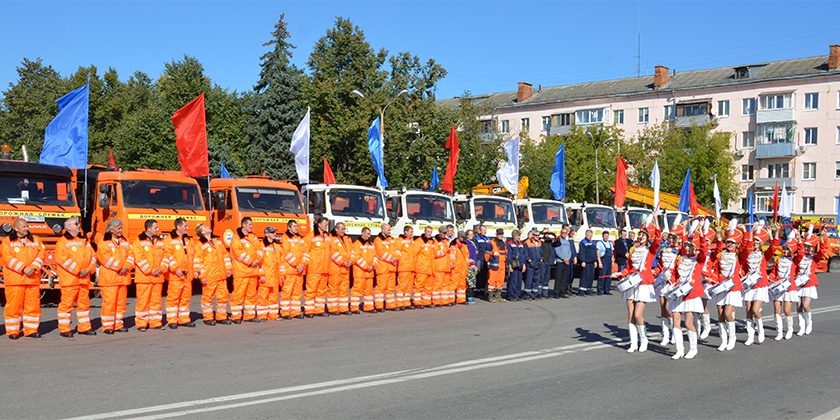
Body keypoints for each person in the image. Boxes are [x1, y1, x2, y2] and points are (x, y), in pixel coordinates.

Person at [611, 216, 660, 353]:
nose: (641, 236)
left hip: (643, 284)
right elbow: (628, 267)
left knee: (638, 315)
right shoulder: (633, 249)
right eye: (640, 234)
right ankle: (633, 343)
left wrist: (656, 220)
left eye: (644, 235)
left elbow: (658, 239)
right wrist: (619, 274)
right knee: (630, 315)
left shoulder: (651, 250)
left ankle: (644, 339)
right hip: (631, 283)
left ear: (648, 237)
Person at [665, 225, 707, 360]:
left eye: (690, 246)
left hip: (691, 294)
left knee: (688, 323)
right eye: (686, 245)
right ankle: (679, 349)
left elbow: (704, 251)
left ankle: (693, 348)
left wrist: (701, 234)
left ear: (694, 247)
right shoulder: (680, 258)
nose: (687, 248)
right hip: (678, 293)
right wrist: (669, 276)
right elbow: (675, 274)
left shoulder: (699, 260)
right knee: (675, 321)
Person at [55, 217, 96, 338]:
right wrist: (78, 271)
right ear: (68, 227)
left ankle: (84, 327)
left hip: (83, 279)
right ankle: (64, 329)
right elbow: (63, 260)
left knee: (84, 305)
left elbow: (93, 256)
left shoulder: (84, 241)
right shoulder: (62, 243)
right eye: (76, 224)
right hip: (70, 280)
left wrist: (90, 269)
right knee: (66, 305)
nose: (79, 225)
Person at [739, 223, 776, 345]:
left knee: (755, 310)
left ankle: (761, 331)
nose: (755, 242)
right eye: (754, 240)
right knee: (748, 310)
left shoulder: (764, 255)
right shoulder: (749, 254)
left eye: (758, 241)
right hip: (749, 285)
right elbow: (744, 266)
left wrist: (771, 234)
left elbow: (773, 248)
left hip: (760, 285)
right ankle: (750, 336)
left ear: (762, 243)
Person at [96, 218, 134, 334]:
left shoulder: (125, 241)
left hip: (122, 278)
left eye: (121, 228)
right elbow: (105, 259)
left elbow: (132, 256)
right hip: (110, 279)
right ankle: (107, 326)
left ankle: (118, 324)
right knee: (109, 303)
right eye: (119, 228)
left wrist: (126, 267)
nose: (121, 230)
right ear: (111, 230)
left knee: (121, 303)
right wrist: (120, 267)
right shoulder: (103, 242)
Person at [713, 223, 746, 351]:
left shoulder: (739, 255)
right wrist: (714, 279)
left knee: (727, 313)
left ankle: (732, 337)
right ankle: (723, 340)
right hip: (721, 286)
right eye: (728, 242)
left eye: (733, 243)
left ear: (737, 244)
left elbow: (747, 247)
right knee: (720, 315)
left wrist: (745, 231)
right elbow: (716, 270)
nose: (730, 244)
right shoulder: (722, 254)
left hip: (733, 288)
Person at [132, 219, 167, 331]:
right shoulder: (138, 241)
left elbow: (166, 256)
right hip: (144, 278)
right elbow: (139, 259)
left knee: (156, 301)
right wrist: (150, 270)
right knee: (143, 301)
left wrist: (161, 269)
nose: (158, 229)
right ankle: (141, 323)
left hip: (157, 277)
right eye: (155, 227)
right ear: (148, 229)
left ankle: (155, 322)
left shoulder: (161, 241)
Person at [194, 223, 232, 325]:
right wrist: (202, 276)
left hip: (221, 275)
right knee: (208, 298)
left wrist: (228, 268)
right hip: (209, 276)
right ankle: (208, 318)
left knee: (223, 296)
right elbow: (198, 262)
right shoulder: (200, 245)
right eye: (205, 227)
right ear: (203, 232)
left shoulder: (218, 241)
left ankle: (221, 317)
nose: (208, 227)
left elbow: (225, 255)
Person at [164, 217, 198, 328]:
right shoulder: (169, 240)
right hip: (175, 275)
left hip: (187, 275)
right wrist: (175, 268)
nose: (187, 228)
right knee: (173, 298)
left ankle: (184, 319)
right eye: (185, 226)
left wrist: (196, 270)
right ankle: (172, 320)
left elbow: (194, 257)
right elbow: (167, 255)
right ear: (178, 227)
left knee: (185, 299)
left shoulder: (189, 240)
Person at [230, 217, 264, 323]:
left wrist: (257, 259)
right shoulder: (236, 238)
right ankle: (236, 316)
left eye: (251, 224)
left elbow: (260, 249)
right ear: (243, 225)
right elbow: (238, 253)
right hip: (242, 271)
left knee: (251, 295)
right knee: (238, 295)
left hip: (253, 271)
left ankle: (249, 315)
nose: (251, 226)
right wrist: (250, 261)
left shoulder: (253, 237)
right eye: (249, 224)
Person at [794, 226, 826, 336]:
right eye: (805, 247)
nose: (806, 249)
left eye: (808, 247)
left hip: (809, 284)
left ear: (812, 248)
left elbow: (822, 251)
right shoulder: (800, 257)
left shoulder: (814, 259)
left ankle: (809, 323)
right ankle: (801, 327)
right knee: (798, 306)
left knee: (805, 305)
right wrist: (799, 239)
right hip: (799, 284)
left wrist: (821, 238)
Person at [769, 227, 800, 341]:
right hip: (778, 286)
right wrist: (769, 278)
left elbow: (801, 252)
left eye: (788, 250)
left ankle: (790, 329)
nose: (785, 251)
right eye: (784, 249)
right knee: (777, 309)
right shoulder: (778, 260)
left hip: (789, 287)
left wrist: (799, 239)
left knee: (787, 310)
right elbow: (773, 272)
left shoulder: (794, 260)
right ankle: (779, 332)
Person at [655, 224, 682, 346]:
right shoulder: (663, 250)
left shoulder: (681, 251)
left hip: (672, 282)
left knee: (669, 308)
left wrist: (672, 277)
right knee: (663, 309)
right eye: (670, 238)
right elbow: (659, 265)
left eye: (674, 238)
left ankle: (674, 333)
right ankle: (665, 335)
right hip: (662, 281)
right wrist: (654, 272)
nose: (671, 240)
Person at [303, 217, 331, 317]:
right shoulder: (310, 236)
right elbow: (305, 252)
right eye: (325, 225)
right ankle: (309, 311)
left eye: (327, 225)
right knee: (311, 291)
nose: (327, 226)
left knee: (321, 291)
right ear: (319, 225)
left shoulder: (328, 237)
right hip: (314, 269)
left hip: (325, 269)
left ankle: (319, 310)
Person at [280, 220, 306, 319]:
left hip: (299, 271)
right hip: (290, 270)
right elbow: (286, 254)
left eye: (297, 226)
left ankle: (295, 311)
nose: (296, 228)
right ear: (289, 227)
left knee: (297, 293)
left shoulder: (300, 238)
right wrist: (297, 264)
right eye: (294, 226)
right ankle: (285, 312)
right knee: (287, 292)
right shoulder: (284, 238)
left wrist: (303, 264)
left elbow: (306, 252)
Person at [258, 226, 284, 321]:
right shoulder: (261, 245)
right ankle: (262, 316)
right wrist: (261, 275)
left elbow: (281, 262)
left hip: (275, 277)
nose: (274, 234)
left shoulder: (277, 246)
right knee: (263, 297)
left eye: (274, 232)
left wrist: (282, 275)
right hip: (266, 276)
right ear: (267, 234)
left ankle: (273, 316)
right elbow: (260, 263)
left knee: (274, 297)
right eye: (272, 232)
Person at [328, 222, 354, 315]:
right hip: (335, 269)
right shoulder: (331, 238)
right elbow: (333, 253)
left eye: (344, 229)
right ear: (336, 229)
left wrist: (351, 261)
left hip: (346, 269)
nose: (344, 231)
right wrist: (343, 262)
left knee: (344, 289)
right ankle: (332, 308)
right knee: (333, 290)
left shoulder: (347, 239)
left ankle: (343, 308)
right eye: (342, 229)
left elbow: (352, 251)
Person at [374, 223, 399, 311]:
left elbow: (397, 250)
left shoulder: (391, 239)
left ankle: (390, 305)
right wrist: (392, 259)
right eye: (388, 229)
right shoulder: (378, 240)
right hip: (383, 268)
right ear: (382, 230)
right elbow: (381, 253)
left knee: (390, 288)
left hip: (392, 268)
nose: (389, 231)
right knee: (380, 288)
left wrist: (396, 258)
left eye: (390, 229)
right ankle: (379, 306)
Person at [351, 227, 376, 313]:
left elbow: (375, 257)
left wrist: (373, 265)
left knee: (369, 291)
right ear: (363, 233)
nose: (369, 236)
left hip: (369, 272)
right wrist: (366, 267)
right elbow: (357, 258)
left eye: (370, 234)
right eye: (368, 234)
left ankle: (369, 307)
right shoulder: (356, 244)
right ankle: (354, 308)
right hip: (360, 272)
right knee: (357, 290)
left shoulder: (371, 245)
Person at [395, 226, 417, 309]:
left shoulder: (412, 241)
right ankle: (399, 303)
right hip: (404, 267)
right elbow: (397, 252)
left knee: (409, 287)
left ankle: (406, 303)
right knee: (402, 286)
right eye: (411, 231)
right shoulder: (400, 241)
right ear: (406, 232)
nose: (412, 233)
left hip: (411, 267)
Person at [414, 226, 435, 307]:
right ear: (424, 231)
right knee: (418, 286)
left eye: (430, 232)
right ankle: (417, 302)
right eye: (428, 231)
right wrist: (416, 267)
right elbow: (415, 255)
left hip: (429, 268)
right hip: (421, 268)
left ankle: (426, 302)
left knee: (429, 287)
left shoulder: (431, 242)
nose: (429, 233)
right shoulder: (419, 241)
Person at [432, 226, 453, 306]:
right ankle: (436, 301)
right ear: (439, 232)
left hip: (447, 267)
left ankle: (444, 301)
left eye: (445, 233)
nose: (445, 234)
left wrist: (451, 262)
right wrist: (445, 250)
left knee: (446, 285)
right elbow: (435, 254)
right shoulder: (435, 241)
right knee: (438, 285)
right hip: (439, 267)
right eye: (443, 233)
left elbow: (450, 254)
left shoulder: (447, 241)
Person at [551, 224, 573, 298]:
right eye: (562, 233)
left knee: (564, 278)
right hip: (560, 261)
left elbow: (570, 251)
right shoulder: (558, 240)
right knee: (558, 278)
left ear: (567, 233)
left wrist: (568, 258)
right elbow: (557, 251)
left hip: (566, 262)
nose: (564, 234)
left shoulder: (567, 242)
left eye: (565, 233)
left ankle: (562, 292)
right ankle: (556, 292)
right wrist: (564, 259)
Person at [487, 228, 508, 302]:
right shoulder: (491, 243)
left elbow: (506, 254)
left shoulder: (504, 243)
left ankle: (498, 296)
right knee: (492, 281)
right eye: (499, 234)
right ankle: (490, 296)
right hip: (494, 265)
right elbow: (487, 255)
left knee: (501, 281)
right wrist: (489, 263)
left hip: (502, 264)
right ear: (496, 234)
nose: (501, 235)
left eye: (502, 234)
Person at [506, 230, 525, 301]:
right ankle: (511, 295)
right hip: (513, 265)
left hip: (520, 264)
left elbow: (523, 255)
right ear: (513, 236)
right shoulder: (509, 244)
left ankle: (517, 295)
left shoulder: (521, 244)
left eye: (519, 235)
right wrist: (509, 266)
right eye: (517, 236)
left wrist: (524, 265)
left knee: (519, 281)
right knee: (512, 281)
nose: (519, 237)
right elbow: (509, 255)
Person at [452, 231, 470, 304]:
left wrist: (466, 264)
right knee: (453, 285)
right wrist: (453, 265)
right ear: (459, 237)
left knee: (462, 285)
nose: (464, 239)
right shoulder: (453, 245)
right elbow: (452, 257)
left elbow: (467, 256)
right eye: (463, 238)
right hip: (456, 268)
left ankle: (461, 299)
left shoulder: (465, 245)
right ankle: (451, 300)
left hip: (463, 268)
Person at [524, 229, 542, 300]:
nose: (537, 237)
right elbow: (525, 253)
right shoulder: (527, 242)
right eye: (536, 235)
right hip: (531, 264)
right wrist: (529, 260)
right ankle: (527, 295)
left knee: (536, 279)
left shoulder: (539, 242)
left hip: (538, 263)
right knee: (529, 280)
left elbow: (541, 252)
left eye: (538, 235)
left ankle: (534, 295)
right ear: (533, 235)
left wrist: (541, 259)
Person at [578, 230, 597, 296]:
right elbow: (582, 252)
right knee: (585, 276)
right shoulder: (583, 242)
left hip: (592, 262)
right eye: (589, 235)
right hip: (586, 262)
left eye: (591, 235)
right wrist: (583, 261)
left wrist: (595, 261)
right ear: (586, 235)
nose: (590, 236)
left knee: (591, 276)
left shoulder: (593, 243)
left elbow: (595, 253)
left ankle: (588, 290)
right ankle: (582, 290)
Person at [596, 231, 614, 295]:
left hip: (609, 262)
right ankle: (600, 290)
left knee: (608, 276)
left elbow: (612, 253)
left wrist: (612, 262)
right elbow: (598, 253)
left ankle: (607, 290)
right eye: (605, 236)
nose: (606, 237)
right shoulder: (599, 243)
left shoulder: (610, 243)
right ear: (603, 236)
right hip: (603, 261)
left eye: (607, 236)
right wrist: (599, 263)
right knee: (602, 276)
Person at [474, 224, 490, 297]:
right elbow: (476, 250)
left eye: (485, 230)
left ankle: (483, 290)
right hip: (480, 259)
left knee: (485, 275)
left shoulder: (488, 239)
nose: (484, 232)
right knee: (479, 275)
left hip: (486, 259)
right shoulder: (477, 239)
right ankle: (477, 291)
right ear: (479, 231)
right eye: (483, 230)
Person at [538, 230, 555, 298]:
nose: (547, 234)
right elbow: (538, 237)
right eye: (546, 233)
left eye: (548, 233)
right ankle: (539, 293)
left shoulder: (551, 241)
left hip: (549, 261)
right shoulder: (542, 240)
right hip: (543, 261)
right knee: (541, 277)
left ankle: (545, 293)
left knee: (547, 278)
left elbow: (558, 242)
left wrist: (553, 234)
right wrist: (543, 232)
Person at [465, 229, 479, 304]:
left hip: (474, 264)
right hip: (469, 265)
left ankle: (470, 296)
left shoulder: (472, 243)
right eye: (470, 234)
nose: (471, 236)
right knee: (469, 282)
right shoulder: (466, 243)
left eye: (472, 234)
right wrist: (472, 264)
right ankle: (469, 297)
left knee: (473, 281)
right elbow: (467, 255)